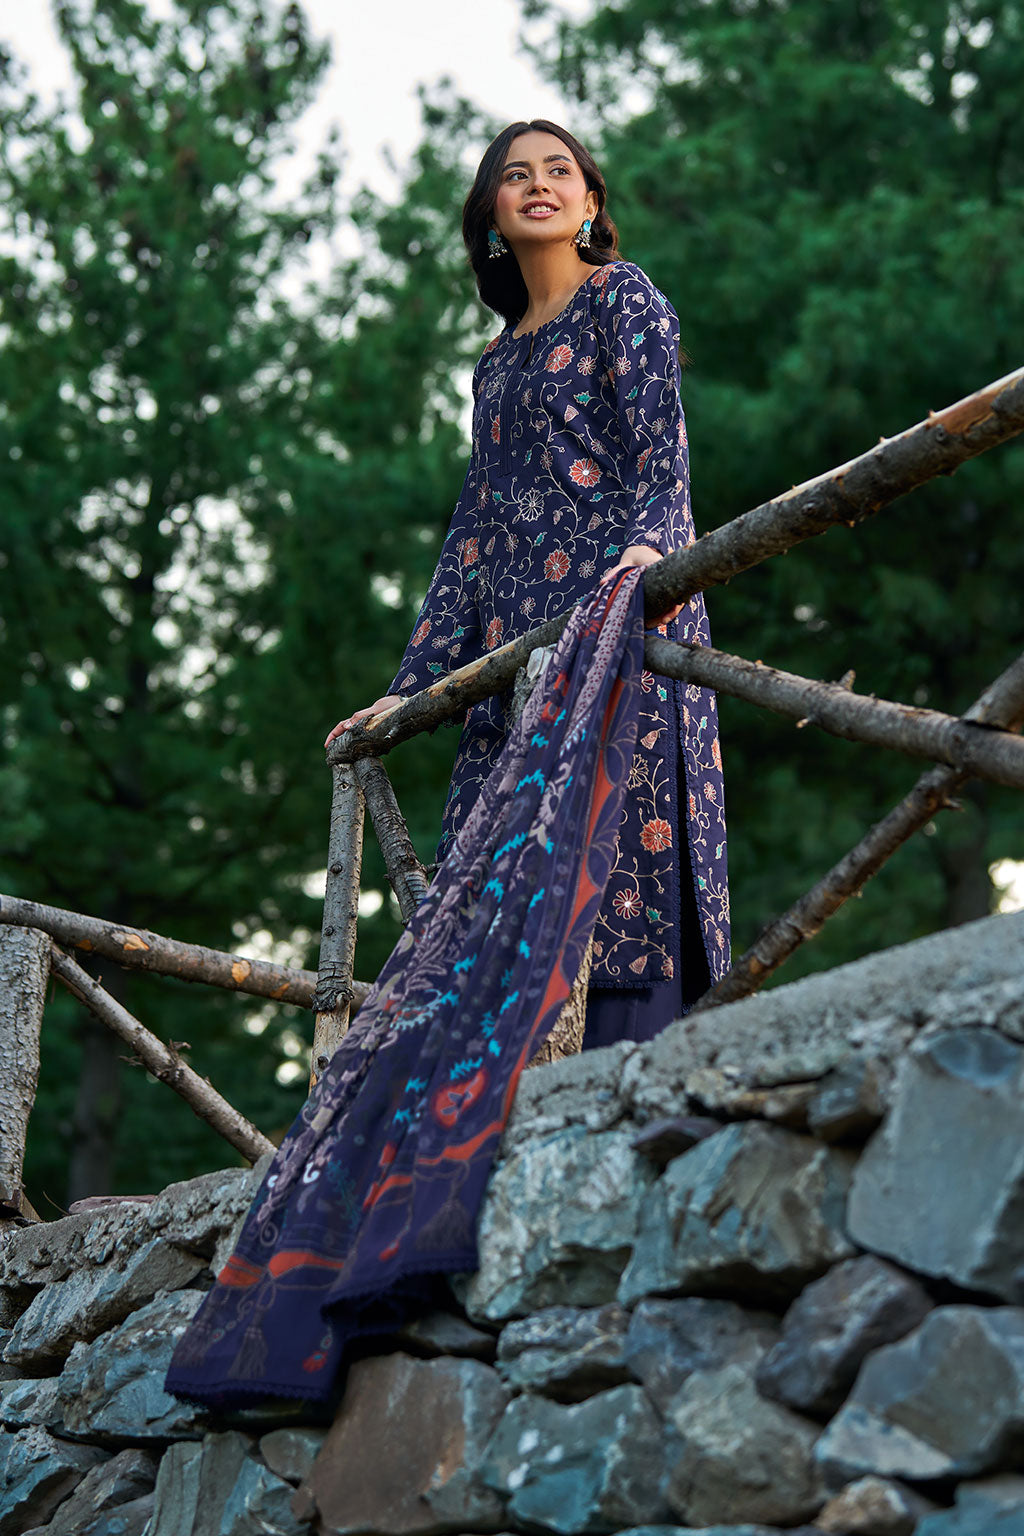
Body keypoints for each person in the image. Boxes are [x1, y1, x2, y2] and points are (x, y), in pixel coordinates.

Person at [327, 119, 729, 1039]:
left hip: (621, 616)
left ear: (590, 202)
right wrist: (409, 688)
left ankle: (628, 1067)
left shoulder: (622, 297)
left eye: (559, 170)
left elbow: (662, 448)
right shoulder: (496, 362)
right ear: (492, 216)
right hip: (515, 660)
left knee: (618, 866)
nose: (539, 183)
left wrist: (650, 552)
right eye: (516, 175)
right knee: (493, 885)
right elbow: (472, 535)